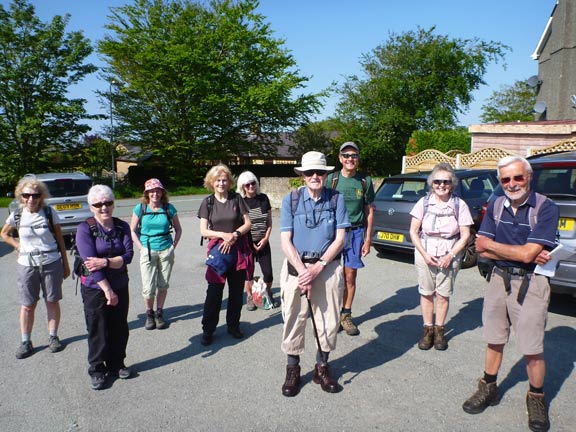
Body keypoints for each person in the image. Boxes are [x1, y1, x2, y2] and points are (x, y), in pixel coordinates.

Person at [462, 156, 558, 432]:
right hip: (498, 278)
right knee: (494, 339)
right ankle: (488, 387)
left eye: (518, 177)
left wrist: (497, 246)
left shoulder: (545, 207)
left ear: (529, 177)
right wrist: (520, 252)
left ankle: (536, 397)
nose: (512, 184)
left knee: (532, 348)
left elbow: (526, 253)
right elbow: (480, 247)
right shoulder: (495, 204)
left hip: (532, 283)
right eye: (505, 179)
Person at [279, 151, 350, 397]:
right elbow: (285, 240)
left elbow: (340, 238)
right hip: (296, 269)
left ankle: (322, 366)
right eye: (309, 172)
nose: (315, 176)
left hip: (327, 267)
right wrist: (303, 272)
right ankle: (293, 368)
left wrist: (318, 266)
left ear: (326, 174)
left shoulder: (336, 199)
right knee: (292, 318)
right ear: (302, 175)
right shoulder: (292, 200)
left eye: (319, 172)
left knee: (329, 319)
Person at [1, 177, 70, 359]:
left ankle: (53, 337)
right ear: (21, 196)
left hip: (51, 261)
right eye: (27, 195)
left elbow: (60, 240)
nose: (31, 199)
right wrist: (17, 245)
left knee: (52, 301)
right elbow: (4, 234)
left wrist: (65, 263)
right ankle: (26, 341)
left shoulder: (49, 212)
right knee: (27, 305)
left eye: (35, 195)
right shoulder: (17, 214)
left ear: (41, 195)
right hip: (27, 265)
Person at [409, 162, 473, 351]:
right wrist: (424, 254)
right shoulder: (423, 202)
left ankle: (439, 331)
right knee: (426, 293)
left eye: (446, 181)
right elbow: (413, 231)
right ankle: (427, 331)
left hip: (449, 254)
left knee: (443, 295)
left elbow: (466, 234)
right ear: (432, 183)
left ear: (452, 183)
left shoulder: (459, 205)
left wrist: (451, 255)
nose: (441, 185)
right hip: (425, 252)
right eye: (437, 181)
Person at [76, 185, 134, 390]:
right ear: (91, 207)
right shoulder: (85, 229)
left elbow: (128, 256)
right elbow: (91, 265)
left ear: (113, 204)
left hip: (120, 283)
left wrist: (106, 262)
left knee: (119, 327)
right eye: (98, 204)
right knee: (97, 328)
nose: (104, 207)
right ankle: (97, 369)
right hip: (95, 287)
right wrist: (108, 291)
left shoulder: (121, 226)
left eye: (108, 202)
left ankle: (117, 363)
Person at [197, 164, 253, 346]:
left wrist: (235, 235)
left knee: (236, 293)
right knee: (213, 293)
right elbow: (204, 231)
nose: (221, 183)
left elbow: (248, 223)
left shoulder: (237, 199)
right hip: (218, 253)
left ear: (229, 182)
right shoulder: (208, 202)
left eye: (224, 180)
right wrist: (223, 235)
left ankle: (233, 325)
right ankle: (208, 329)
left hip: (237, 251)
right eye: (218, 180)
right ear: (212, 183)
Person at [325, 142, 375, 335]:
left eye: (353, 155)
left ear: (358, 158)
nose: (350, 159)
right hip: (333, 233)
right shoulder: (332, 179)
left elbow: (369, 210)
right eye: (346, 155)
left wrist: (368, 239)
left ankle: (345, 315)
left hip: (355, 234)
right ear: (340, 158)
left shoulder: (365, 181)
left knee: (350, 276)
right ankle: (331, 314)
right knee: (331, 276)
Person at [130, 178, 182, 330]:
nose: (155, 193)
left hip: (166, 249)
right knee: (148, 287)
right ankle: (149, 314)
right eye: (151, 191)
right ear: (147, 193)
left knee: (163, 284)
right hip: (147, 250)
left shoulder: (168, 208)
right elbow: (132, 230)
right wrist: (140, 247)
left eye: (158, 190)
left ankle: (159, 313)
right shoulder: (140, 208)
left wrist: (173, 246)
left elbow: (178, 229)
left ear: (162, 192)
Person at [236, 171, 279, 310]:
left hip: (263, 241)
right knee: (248, 273)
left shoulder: (263, 199)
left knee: (268, 273)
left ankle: (267, 292)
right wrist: (249, 242)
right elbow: (240, 224)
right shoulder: (240, 201)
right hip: (247, 243)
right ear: (242, 187)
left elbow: (269, 221)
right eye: (247, 185)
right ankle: (249, 296)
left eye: (253, 183)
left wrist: (266, 238)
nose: (250, 186)